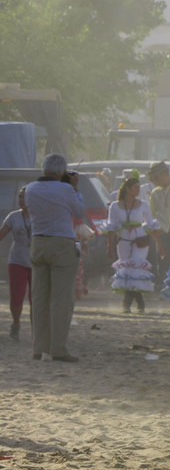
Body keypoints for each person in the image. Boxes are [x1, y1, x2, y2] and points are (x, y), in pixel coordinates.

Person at [24, 155, 87, 362]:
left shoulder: (31, 189)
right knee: (61, 300)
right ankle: (58, 349)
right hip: (61, 244)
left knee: (40, 298)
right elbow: (79, 211)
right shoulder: (66, 189)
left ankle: (38, 348)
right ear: (61, 171)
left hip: (38, 243)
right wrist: (75, 188)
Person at [107, 176, 157, 313]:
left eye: (139, 187)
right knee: (127, 269)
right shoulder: (115, 206)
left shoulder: (143, 205)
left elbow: (151, 224)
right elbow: (111, 227)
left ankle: (128, 303)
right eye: (135, 187)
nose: (138, 190)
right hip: (123, 241)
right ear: (127, 189)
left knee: (136, 267)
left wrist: (158, 243)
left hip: (139, 241)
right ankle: (138, 302)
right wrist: (110, 246)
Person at [146, 162, 170, 280]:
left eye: (155, 177)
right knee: (163, 260)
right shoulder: (155, 193)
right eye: (152, 178)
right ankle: (164, 286)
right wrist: (154, 231)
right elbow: (151, 215)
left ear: (164, 175)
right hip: (162, 231)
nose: (154, 181)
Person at [2, 189, 31, 339]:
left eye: (25, 197)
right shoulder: (13, 217)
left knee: (37, 298)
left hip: (37, 262)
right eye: (20, 197)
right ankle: (16, 323)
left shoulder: (41, 216)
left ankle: (36, 329)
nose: (22, 200)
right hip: (17, 261)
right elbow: (2, 234)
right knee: (16, 297)